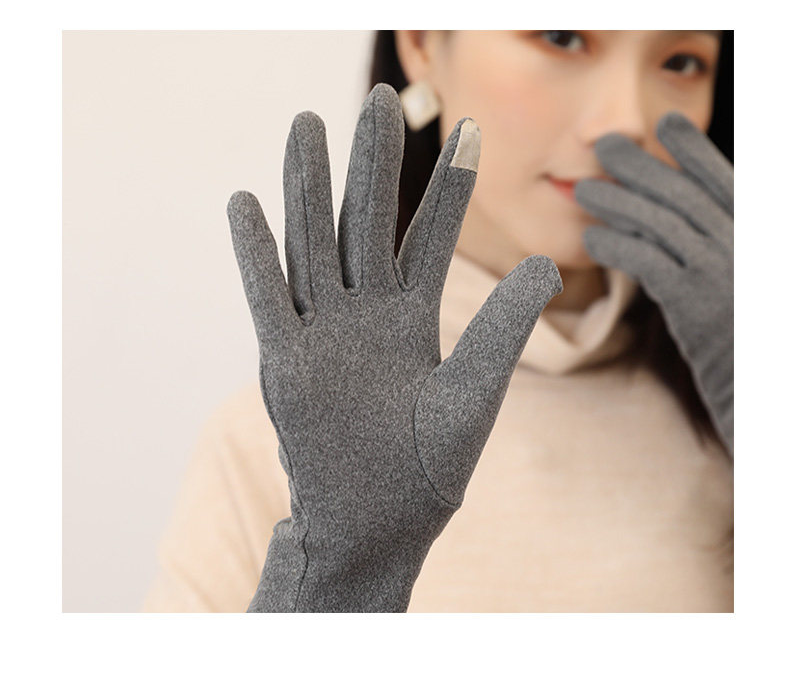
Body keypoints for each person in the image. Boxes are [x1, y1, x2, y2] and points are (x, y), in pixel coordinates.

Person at [143, 31, 733, 613]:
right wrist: (341, 579)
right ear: (423, 42)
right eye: (562, 36)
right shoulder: (266, 442)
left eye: (682, 61)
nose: (627, 120)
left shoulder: (726, 399)